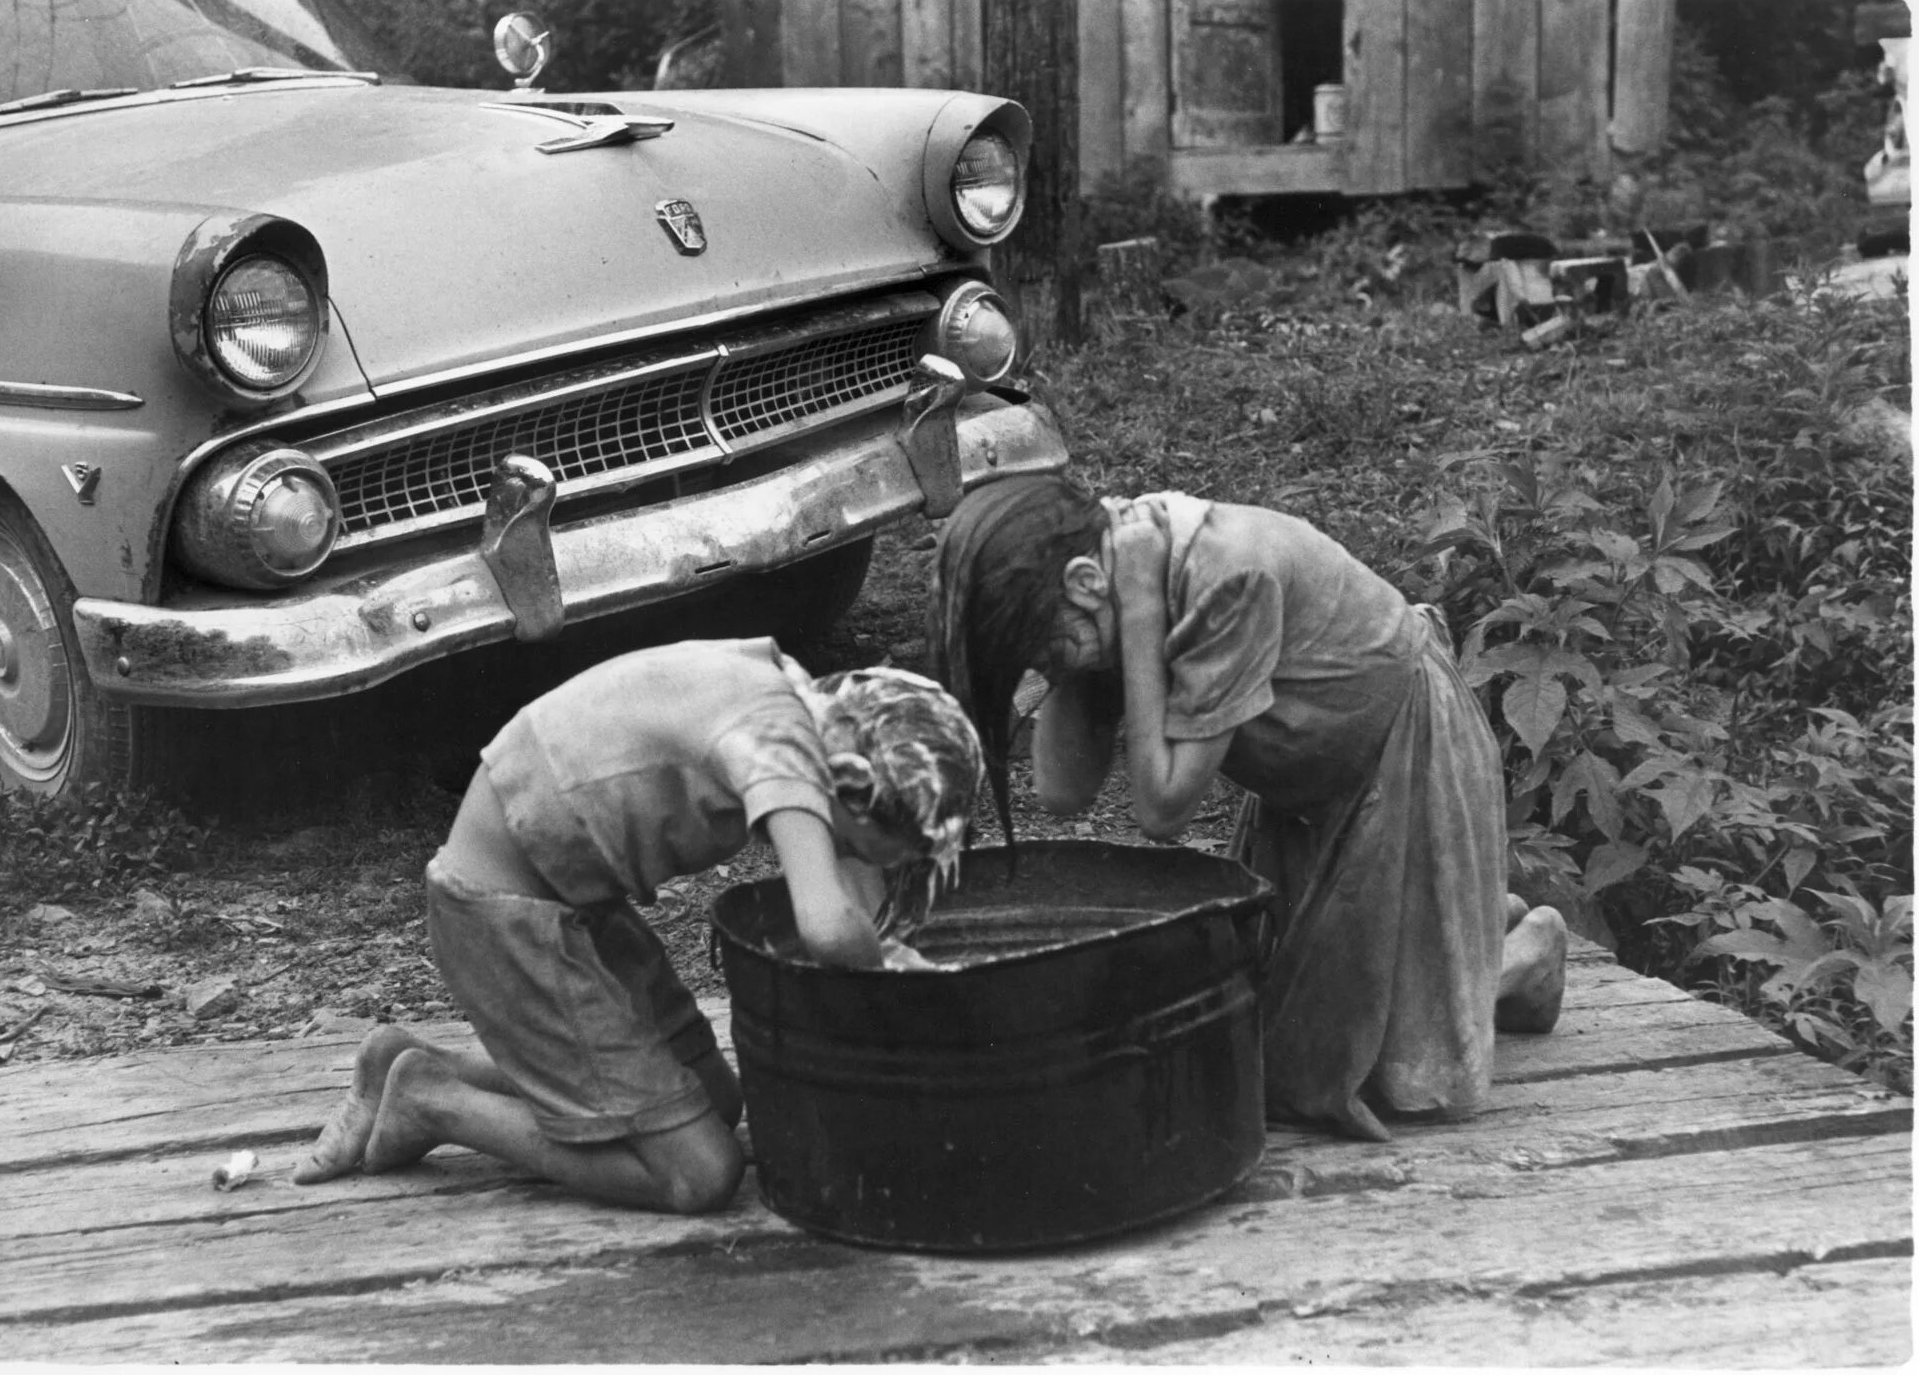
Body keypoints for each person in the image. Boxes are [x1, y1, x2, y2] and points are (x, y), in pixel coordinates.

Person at [929, 476, 1567, 1143]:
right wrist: (1069, 659)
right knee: (1247, 1033)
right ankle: (1462, 926)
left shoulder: (1227, 575)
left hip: (1405, 751)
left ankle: (1526, 954)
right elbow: (1063, 791)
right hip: (1310, 789)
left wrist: (1142, 614)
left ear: (1089, 580)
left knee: (1388, 1072)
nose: (1049, 665)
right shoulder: (1109, 576)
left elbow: (1164, 807)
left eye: (1049, 648)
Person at [293, 637, 983, 1212]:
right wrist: (907, 974)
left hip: (569, 893)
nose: (876, 867)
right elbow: (829, 926)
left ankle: (408, 1060)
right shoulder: (782, 748)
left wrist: (866, 878)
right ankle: (432, 1100)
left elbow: (843, 871)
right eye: (885, 853)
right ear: (856, 783)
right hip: (508, 914)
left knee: (716, 1098)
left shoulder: (801, 700)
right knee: (701, 1173)